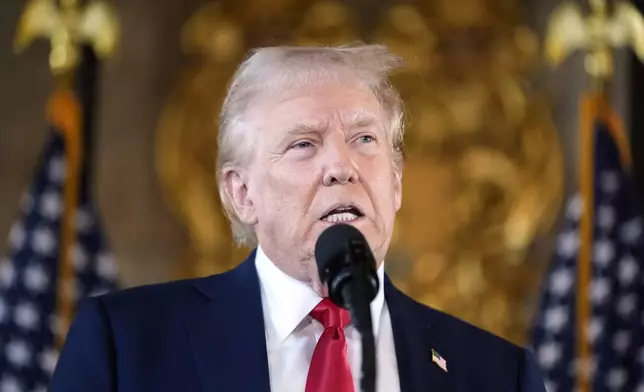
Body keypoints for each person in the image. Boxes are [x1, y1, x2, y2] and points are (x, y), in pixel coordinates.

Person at [49, 44, 546, 392]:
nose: (341, 167)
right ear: (242, 193)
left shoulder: (498, 374)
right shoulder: (127, 345)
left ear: (395, 182)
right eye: (303, 144)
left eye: (364, 139)